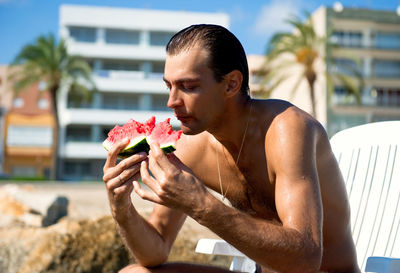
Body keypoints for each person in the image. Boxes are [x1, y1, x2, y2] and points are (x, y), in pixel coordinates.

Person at [102, 24, 360, 273]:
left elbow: (306, 259)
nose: (172, 102)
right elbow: (155, 251)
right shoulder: (191, 149)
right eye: (169, 86)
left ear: (231, 84)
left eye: (189, 87)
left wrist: (201, 204)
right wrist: (121, 207)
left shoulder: (286, 129)